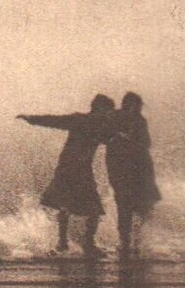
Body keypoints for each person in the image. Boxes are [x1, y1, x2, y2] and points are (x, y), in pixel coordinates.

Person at [18, 94, 116, 257]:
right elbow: (55, 121)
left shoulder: (101, 126)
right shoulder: (80, 120)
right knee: (67, 206)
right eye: (107, 111)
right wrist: (32, 119)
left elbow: (112, 139)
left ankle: (81, 244)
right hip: (68, 168)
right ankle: (69, 243)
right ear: (99, 108)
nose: (109, 115)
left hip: (81, 169)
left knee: (90, 209)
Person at [105, 92, 161, 259]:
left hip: (138, 169)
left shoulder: (138, 120)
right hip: (125, 170)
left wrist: (128, 139)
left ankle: (134, 242)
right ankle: (128, 242)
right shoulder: (114, 118)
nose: (138, 109)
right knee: (127, 206)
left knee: (138, 206)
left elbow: (147, 143)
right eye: (137, 105)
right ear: (129, 104)